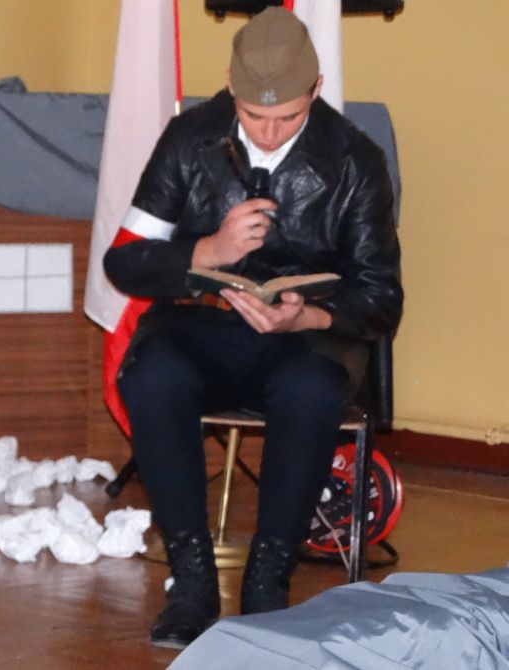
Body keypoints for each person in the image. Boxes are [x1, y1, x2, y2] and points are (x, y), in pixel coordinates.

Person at [103, 7, 402, 649]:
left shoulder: (355, 159)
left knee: (310, 390)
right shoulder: (190, 138)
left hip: (307, 337)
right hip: (202, 323)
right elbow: (124, 261)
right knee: (152, 375)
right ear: (230, 88)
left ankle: (269, 582)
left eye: (287, 117)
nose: (267, 133)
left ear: (316, 90)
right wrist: (206, 252)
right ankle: (192, 583)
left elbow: (381, 298)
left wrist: (309, 312)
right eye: (252, 115)